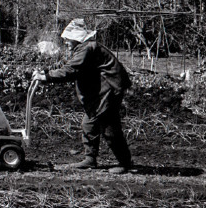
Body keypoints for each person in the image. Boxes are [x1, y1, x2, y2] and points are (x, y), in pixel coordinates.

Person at [33, 18, 133, 174]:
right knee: (89, 124)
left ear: (76, 38)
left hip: (109, 90)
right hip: (104, 91)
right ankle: (90, 159)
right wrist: (46, 73)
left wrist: (47, 77)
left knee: (108, 128)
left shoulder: (87, 48)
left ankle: (125, 163)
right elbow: (70, 66)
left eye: (67, 39)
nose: (65, 41)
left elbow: (72, 70)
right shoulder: (84, 48)